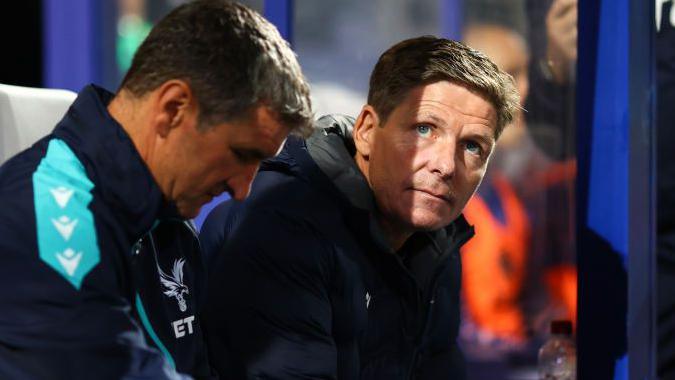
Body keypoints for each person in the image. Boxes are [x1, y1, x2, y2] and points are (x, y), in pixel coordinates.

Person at [0, 1, 312, 379]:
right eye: (241, 154)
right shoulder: (46, 221)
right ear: (173, 108)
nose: (242, 189)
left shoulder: (171, 225)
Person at [200, 36, 519, 379]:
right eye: (423, 129)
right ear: (366, 130)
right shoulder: (282, 227)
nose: (446, 165)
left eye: (472, 147)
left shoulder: (435, 241)